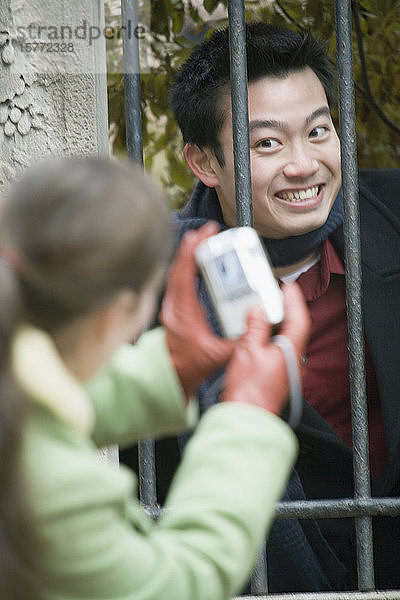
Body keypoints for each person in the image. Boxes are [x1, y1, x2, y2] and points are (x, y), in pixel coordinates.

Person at [0, 156, 310, 600]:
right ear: (115, 317)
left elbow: (38, 404)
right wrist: (247, 414)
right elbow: (176, 584)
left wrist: (173, 367)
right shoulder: (54, 491)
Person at [168, 21, 400, 593]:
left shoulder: (390, 218)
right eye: (266, 143)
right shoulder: (162, 280)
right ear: (204, 163)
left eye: (319, 131)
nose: (304, 165)